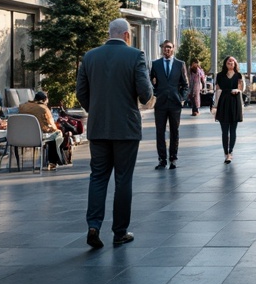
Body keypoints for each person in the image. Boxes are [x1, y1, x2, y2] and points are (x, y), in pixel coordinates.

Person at [76, 18, 153, 249]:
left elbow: (81, 92)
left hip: (99, 128)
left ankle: (93, 225)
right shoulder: (135, 56)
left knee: (98, 177)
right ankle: (119, 232)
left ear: (109, 33)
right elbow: (145, 93)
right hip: (126, 129)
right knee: (123, 180)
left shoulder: (90, 56)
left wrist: (97, 111)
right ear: (127, 35)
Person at [150, 39, 188, 169]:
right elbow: (150, 82)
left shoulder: (180, 64)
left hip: (175, 103)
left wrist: (181, 98)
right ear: (162, 49)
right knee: (160, 131)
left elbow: (185, 85)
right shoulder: (155, 64)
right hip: (160, 103)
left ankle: (173, 158)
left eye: (169, 47)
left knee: (174, 131)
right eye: (165, 47)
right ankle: (162, 159)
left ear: (173, 49)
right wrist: (155, 94)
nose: (167, 49)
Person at [19, 91, 66, 170]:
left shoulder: (22, 106)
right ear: (45, 99)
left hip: (22, 137)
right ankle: (53, 162)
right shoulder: (44, 108)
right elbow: (51, 126)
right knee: (57, 134)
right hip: (38, 137)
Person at [214, 56, 244, 164]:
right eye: (229, 60)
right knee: (224, 131)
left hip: (235, 103)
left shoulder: (239, 75)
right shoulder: (219, 75)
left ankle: (230, 152)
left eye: (233, 60)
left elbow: (241, 88)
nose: (230, 62)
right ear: (225, 62)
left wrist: (237, 90)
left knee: (233, 130)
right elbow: (217, 91)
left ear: (235, 63)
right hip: (223, 103)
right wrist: (214, 106)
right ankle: (225, 153)